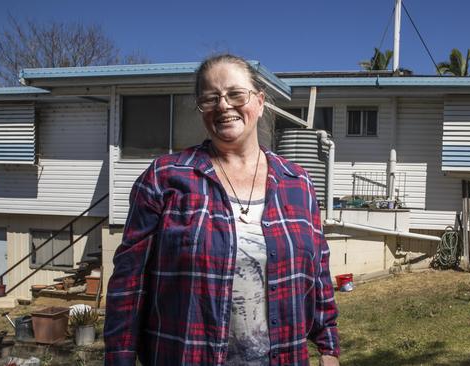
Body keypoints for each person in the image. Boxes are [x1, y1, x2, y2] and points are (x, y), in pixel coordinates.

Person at [104, 54, 340, 366]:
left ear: (258, 101)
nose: (224, 105)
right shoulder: (164, 177)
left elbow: (318, 270)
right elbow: (129, 282)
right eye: (210, 98)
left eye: (235, 94)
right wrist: (119, 358)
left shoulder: (298, 183)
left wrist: (328, 347)